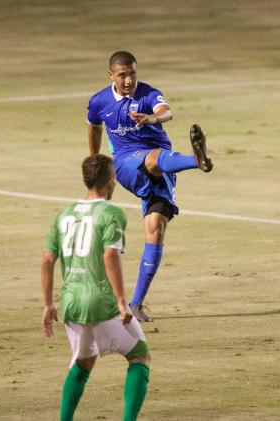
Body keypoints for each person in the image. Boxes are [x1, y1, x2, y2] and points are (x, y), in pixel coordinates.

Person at [87, 51, 213, 321]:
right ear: (112, 75)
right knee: (153, 158)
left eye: (132, 73)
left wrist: (152, 118)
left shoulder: (148, 93)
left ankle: (136, 304)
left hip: (164, 165)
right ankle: (196, 160)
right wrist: (95, 157)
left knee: (155, 229)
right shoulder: (99, 101)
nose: (129, 80)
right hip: (125, 163)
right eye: (122, 75)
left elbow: (166, 112)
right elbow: (94, 126)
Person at [41, 154, 150, 420]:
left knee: (83, 362)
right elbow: (110, 255)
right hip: (100, 302)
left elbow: (47, 260)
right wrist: (123, 302)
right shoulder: (112, 214)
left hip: (70, 303)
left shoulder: (64, 214)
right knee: (139, 357)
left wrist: (47, 304)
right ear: (111, 181)